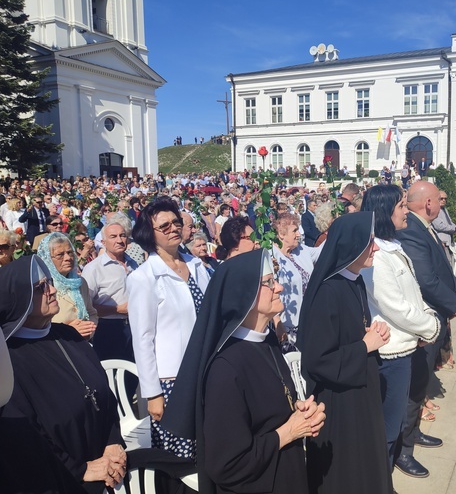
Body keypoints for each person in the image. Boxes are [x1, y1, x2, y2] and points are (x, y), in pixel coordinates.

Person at [161, 250, 326, 494]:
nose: (279, 287)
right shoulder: (226, 369)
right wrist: (288, 432)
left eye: (275, 279)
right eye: (269, 282)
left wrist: (302, 411)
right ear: (244, 293)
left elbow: (270, 408)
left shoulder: (266, 340)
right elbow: (227, 465)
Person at [0, 256, 126, 493]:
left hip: (110, 461)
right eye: (41, 287)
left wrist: (113, 442)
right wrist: (79, 469)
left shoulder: (69, 335)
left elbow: (104, 394)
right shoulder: (8, 358)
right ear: (19, 297)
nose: (53, 289)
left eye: (49, 281)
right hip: (60, 479)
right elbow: (25, 437)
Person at [297, 212, 392, 494]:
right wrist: (366, 345)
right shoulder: (328, 292)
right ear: (352, 245)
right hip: (339, 403)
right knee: (348, 471)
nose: (376, 247)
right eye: (370, 241)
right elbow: (317, 360)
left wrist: (365, 334)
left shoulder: (355, 280)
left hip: (360, 392)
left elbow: (345, 335)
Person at [361, 185, 440, 470]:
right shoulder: (377, 256)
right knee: (388, 426)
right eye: (401, 207)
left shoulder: (392, 247)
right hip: (391, 350)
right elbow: (394, 305)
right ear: (384, 213)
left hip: (406, 343)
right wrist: (430, 326)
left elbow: (413, 293)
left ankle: (386, 474)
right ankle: (379, 480)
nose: (407, 211)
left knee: (397, 420)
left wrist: (427, 314)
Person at [128, 197, 211, 459]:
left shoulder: (198, 266)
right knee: (179, 457)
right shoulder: (143, 278)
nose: (173, 228)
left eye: (176, 222)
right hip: (172, 380)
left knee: (210, 445)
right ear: (149, 235)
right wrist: (152, 393)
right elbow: (143, 339)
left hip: (206, 369)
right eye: (164, 226)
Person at [394, 181, 456, 478]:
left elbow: (442, 268)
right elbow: (425, 279)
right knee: (414, 387)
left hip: (436, 316)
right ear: (428, 203)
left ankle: (414, 434)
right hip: (423, 321)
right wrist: (452, 303)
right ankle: (403, 450)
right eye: (439, 199)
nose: (442, 204)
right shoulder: (412, 229)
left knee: (421, 383)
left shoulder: (424, 226)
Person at [81, 217, 138, 362]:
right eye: (113, 237)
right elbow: (86, 306)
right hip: (109, 330)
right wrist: (118, 309)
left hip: (136, 325)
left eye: (122, 235)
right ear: (103, 242)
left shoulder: (134, 264)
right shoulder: (94, 269)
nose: (119, 240)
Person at [272, 212, 322, 353]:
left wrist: (334, 230)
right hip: (289, 328)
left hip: (311, 320)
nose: (299, 234)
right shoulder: (272, 257)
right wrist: (277, 322)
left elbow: (321, 252)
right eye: (294, 231)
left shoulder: (300, 250)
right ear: (281, 234)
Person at [37, 233, 98, 340]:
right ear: (47, 259)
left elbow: (91, 312)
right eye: (60, 254)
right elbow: (38, 326)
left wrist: (89, 329)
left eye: (70, 252)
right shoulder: (42, 288)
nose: (68, 258)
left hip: (82, 344)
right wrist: (69, 331)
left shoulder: (79, 282)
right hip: (57, 346)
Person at [431, 190, 456, 266]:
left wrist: (454, 226)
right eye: (441, 198)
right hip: (442, 241)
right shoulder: (434, 209)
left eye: (445, 199)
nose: (444, 200)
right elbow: (439, 225)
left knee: (450, 263)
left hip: (448, 241)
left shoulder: (444, 209)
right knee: (446, 264)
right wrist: (452, 228)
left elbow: (449, 221)